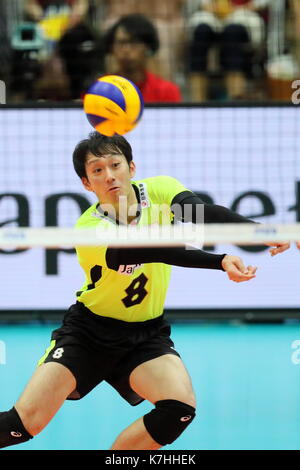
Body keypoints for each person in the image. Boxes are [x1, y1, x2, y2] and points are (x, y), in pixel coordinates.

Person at [0, 132, 289, 450]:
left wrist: (259, 230)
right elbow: (153, 251)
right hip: (88, 334)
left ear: (132, 167)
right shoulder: (89, 228)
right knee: (23, 424)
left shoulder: (160, 191)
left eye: (115, 164)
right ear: (86, 184)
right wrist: (218, 261)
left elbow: (202, 214)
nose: (109, 175)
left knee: (178, 409)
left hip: (146, 335)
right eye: (97, 170)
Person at [187, 0, 269, 101]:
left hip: (243, 14)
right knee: (201, 32)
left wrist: (242, 8)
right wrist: (210, 7)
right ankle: (197, 102)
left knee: (233, 33)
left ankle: (235, 101)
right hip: (212, 15)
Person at [103, 14, 182, 103]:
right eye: (121, 42)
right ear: (111, 47)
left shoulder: (167, 91)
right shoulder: (100, 90)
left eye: (134, 42)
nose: (126, 49)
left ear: (147, 47)